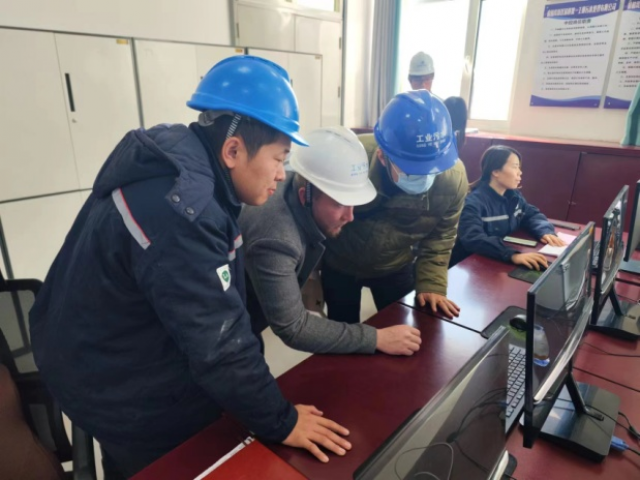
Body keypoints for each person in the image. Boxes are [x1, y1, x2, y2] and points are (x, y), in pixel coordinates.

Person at [28, 56, 351, 479]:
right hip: (111, 380)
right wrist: (282, 421)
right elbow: (221, 345)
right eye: (279, 158)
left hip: (92, 345)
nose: (281, 175)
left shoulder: (178, 159)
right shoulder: (185, 211)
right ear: (233, 150)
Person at [240, 126, 422, 357]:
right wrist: (376, 338)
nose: (350, 216)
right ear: (306, 196)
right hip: (227, 327)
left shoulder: (300, 177)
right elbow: (294, 327)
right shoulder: (277, 238)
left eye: (352, 202)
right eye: (339, 204)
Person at [322, 90, 468, 323]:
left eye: (431, 168)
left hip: (395, 265)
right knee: (342, 333)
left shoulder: (453, 179)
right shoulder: (349, 158)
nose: (423, 176)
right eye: (412, 169)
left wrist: (432, 284)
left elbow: (441, 237)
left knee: (404, 331)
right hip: (340, 262)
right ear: (382, 156)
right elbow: (314, 214)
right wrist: (308, 275)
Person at [449, 145, 566, 269]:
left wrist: (544, 231)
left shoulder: (513, 196)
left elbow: (531, 214)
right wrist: (512, 255)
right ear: (495, 171)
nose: (520, 172)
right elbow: (474, 238)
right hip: (469, 264)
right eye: (515, 167)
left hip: (496, 258)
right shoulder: (472, 202)